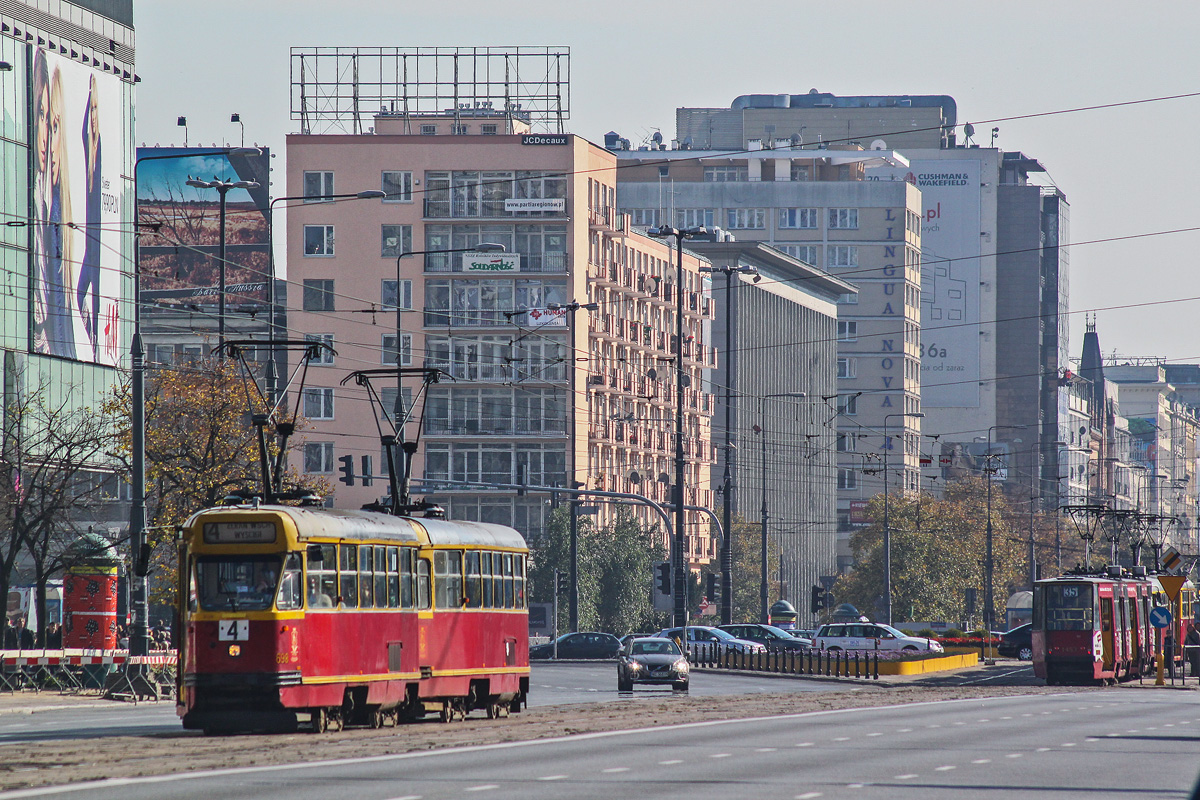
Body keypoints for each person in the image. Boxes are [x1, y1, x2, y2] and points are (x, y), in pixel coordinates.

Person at [77, 74, 102, 359]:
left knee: (86, 297)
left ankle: (92, 339)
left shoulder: (99, 160)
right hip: (86, 249)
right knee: (78, 294)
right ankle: (88, 339)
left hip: (95, 250)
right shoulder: (85, 157)